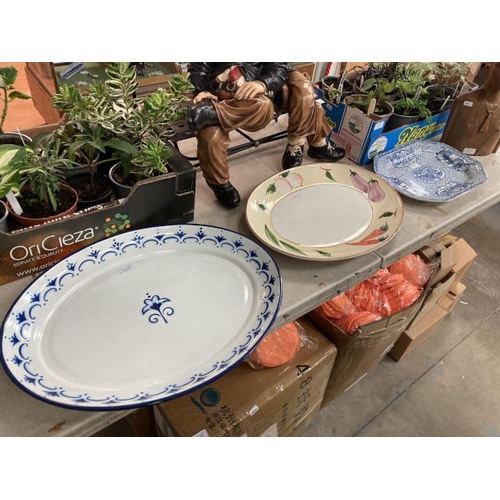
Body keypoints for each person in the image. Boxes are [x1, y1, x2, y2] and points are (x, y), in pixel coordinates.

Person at [187, 63, 346, 208]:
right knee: (210, 136)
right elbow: (198, 67)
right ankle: (219, 183)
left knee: (299, 95)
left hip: (255, 96)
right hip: (221, 93)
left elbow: (277, 68)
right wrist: (203, 90)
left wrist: (262, 83)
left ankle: (305, 143)